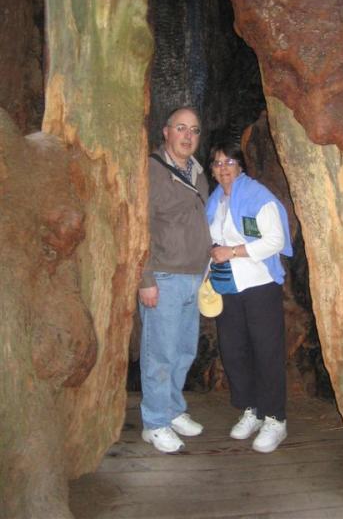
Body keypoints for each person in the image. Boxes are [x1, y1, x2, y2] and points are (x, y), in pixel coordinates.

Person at [205, 141, 293, 453]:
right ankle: (251, 410)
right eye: (217, 163)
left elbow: (275, 240)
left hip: (259, 286)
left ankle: (275, 418)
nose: (223, 168)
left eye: (230, 162)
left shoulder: (258, 197)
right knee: (234, 350)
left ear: (241, 166)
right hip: (229, 288)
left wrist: (233, 251)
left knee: (266, 351)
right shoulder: (216, 201)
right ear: (212, 170)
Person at [138, 106, 211, 453]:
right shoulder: (152, 170)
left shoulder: (198, 173)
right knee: (160, 355)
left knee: (184, 351)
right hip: (164, 277)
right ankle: (154, 422)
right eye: (180, 128)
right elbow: (139, 225)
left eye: (194, 130)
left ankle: (173, 409)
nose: (187, 135)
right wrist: (145, 277)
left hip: (194, 277)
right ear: (166, 132)